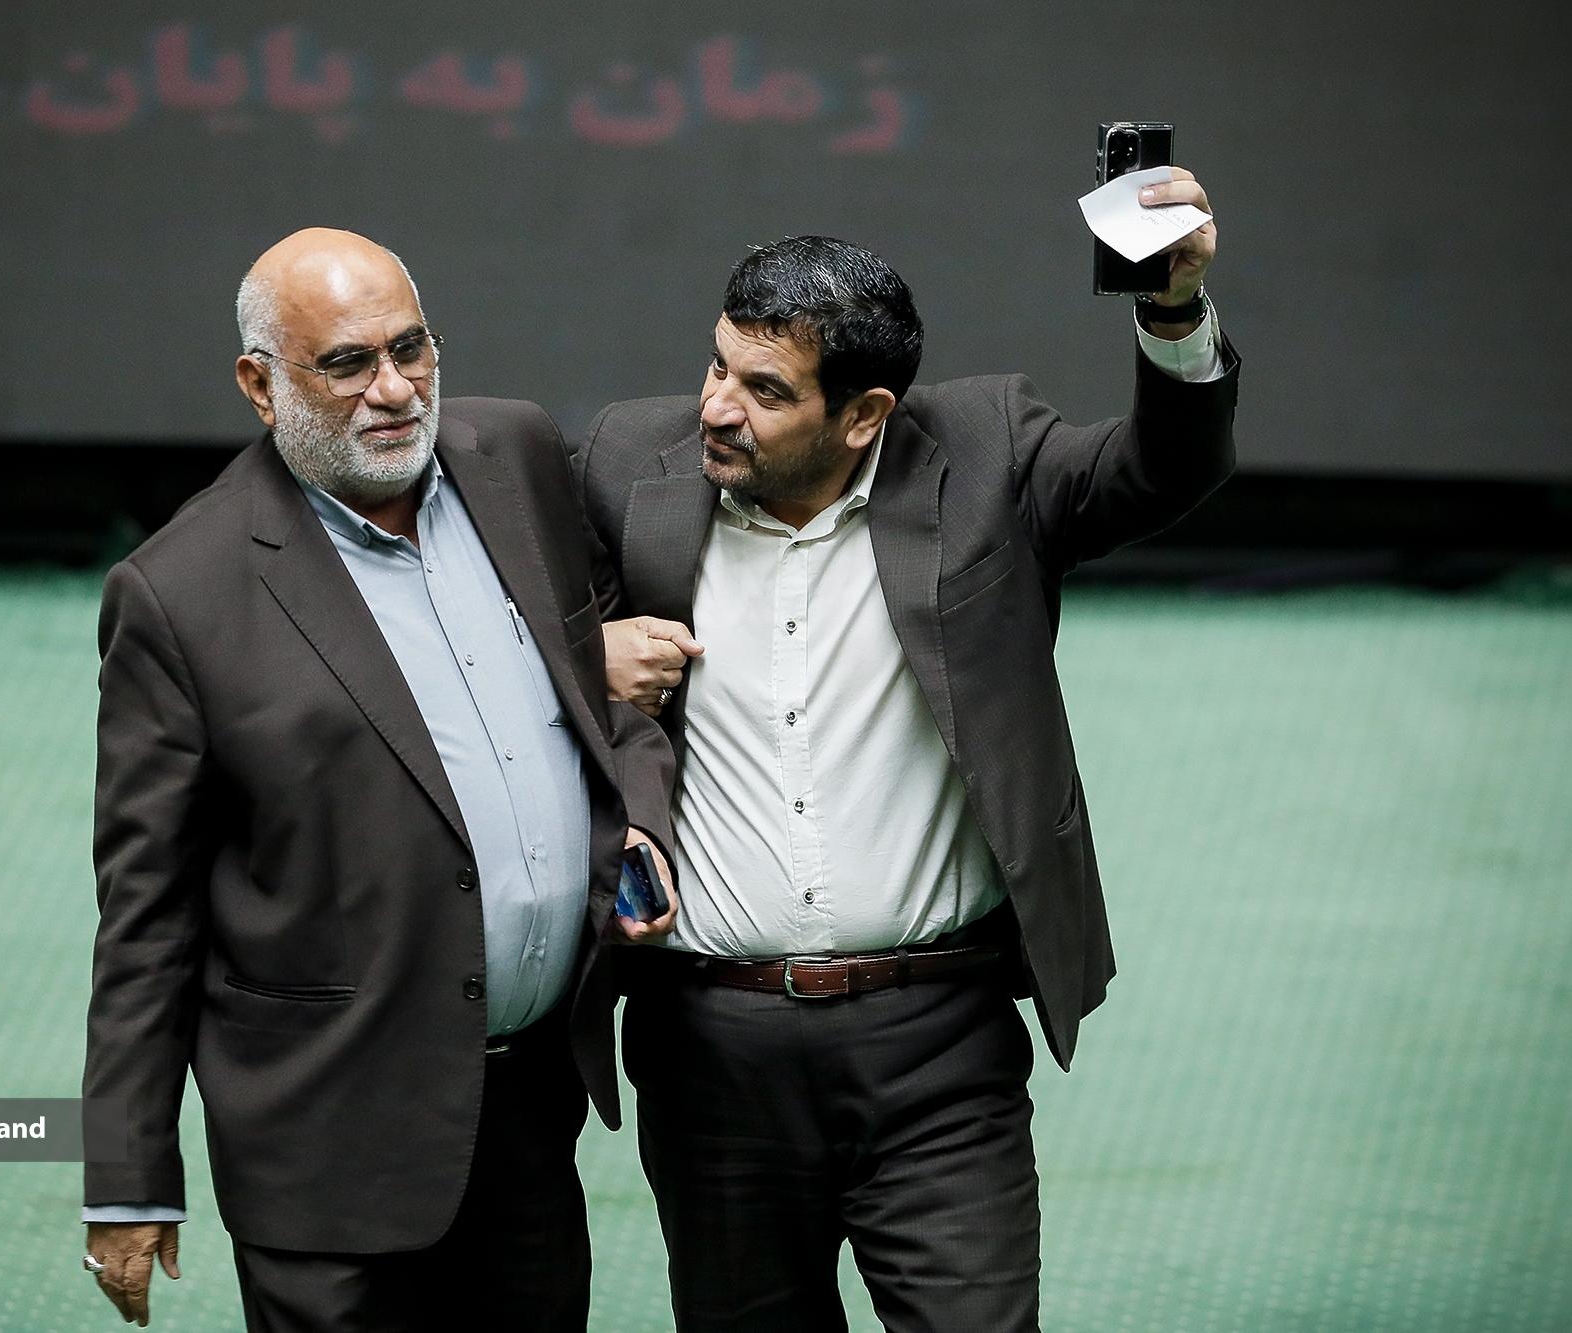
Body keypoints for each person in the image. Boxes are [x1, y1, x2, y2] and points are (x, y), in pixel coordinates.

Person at [573, 170, 1238, 1330]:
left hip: (936, 1047)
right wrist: (582, 659)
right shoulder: (627, 464)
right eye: (716, 367)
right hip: (708, 1050)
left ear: (862, 414)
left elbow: (1159, 469)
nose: (717, 407)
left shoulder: (983, 451)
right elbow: (491, 635)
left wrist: (1170, 308)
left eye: (764, 391)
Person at [79, 227, 677, 1330]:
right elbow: (146, 915)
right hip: (329, 1145)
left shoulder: (516, 456)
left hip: (526, 1113)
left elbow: (603, 692)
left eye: (411, 348)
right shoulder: (180, 593)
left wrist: (636, 820)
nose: (395, 389)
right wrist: (127, 1175)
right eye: (347, 363)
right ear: (260, 386)